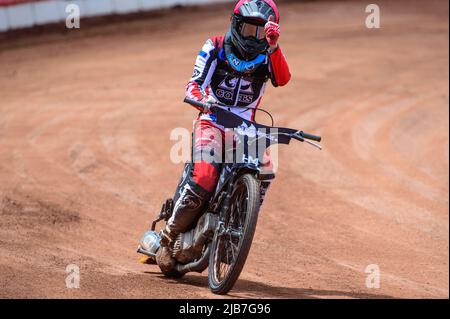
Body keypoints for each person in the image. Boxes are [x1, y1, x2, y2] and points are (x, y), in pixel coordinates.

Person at [155, 0, 291, 273]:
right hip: (212, 120)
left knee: (267, 168)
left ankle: (238, 228)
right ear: (236, 24)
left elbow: (283, 79)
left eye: (260, 31)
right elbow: (193, 84)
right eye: (249, 29)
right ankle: (168, 236)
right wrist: (202, 100)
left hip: (245, 127)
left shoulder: (268, 54)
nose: (254, 37)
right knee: (205, 176)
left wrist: (274, 46)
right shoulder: (214, 46)